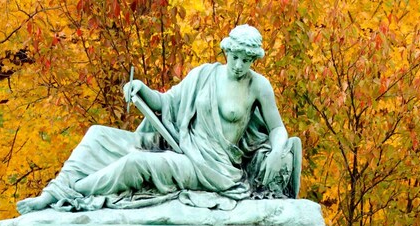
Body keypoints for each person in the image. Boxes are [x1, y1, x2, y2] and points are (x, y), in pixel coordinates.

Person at [17, 24, 300, 214]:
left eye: (246, 60)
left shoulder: (257, 86)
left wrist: (277, 151)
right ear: (226, 50)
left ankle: (68, 194)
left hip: (212, 170)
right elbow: (167, 103)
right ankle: (53, 189)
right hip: (182, 144)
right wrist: (141, 88)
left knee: (135, 164)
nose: (239, 65)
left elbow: (277, 128)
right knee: (97, 135)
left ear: (254, 60)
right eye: (235, 57)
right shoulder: (205, 74)